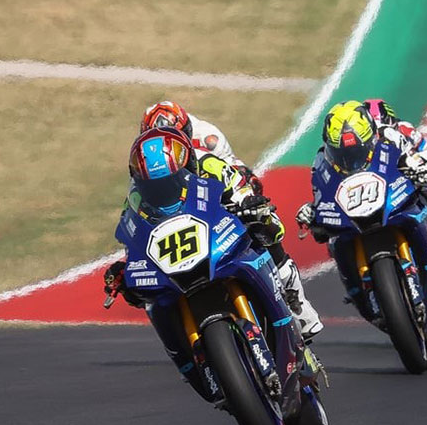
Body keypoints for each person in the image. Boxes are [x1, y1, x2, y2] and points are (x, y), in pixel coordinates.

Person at [102, 127, 302, 402]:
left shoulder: (209, 167)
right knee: (154, 305)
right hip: (176, 266)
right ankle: (196, 370)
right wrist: (121, 271)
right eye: (154, 186)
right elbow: (132, 238)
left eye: (169, 182)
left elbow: (240, 190)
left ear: (187, 166)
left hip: (220, 243)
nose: (162, 190)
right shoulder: (135, 203)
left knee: (261, 242)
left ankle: (291, 313)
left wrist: (250, 206)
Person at [136, 101, 322, 339]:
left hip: (218, 205)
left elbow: (237, 172)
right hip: (179, 224)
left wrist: (248, 199)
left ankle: (295, 299)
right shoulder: (147, 162)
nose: (168, 147)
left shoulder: (208, 141)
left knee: (265, 224)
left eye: (175, 138)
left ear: (188, 132)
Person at [295, 101, 427, 325]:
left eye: (356, 150)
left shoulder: (390, 136)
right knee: (334, 242)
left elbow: (414, 158)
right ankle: (361, 293)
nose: (350, 158)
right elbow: (320, 193)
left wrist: (424, 168)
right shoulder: (321, 161)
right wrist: (312, 212)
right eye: (342, 153)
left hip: (390, 198)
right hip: (351, 214)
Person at [360, 98, 427, 283]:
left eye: (383, 126)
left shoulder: (406, 130)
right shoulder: (360, 144)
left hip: (405, 183)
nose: (381, 133)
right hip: (374, 191)